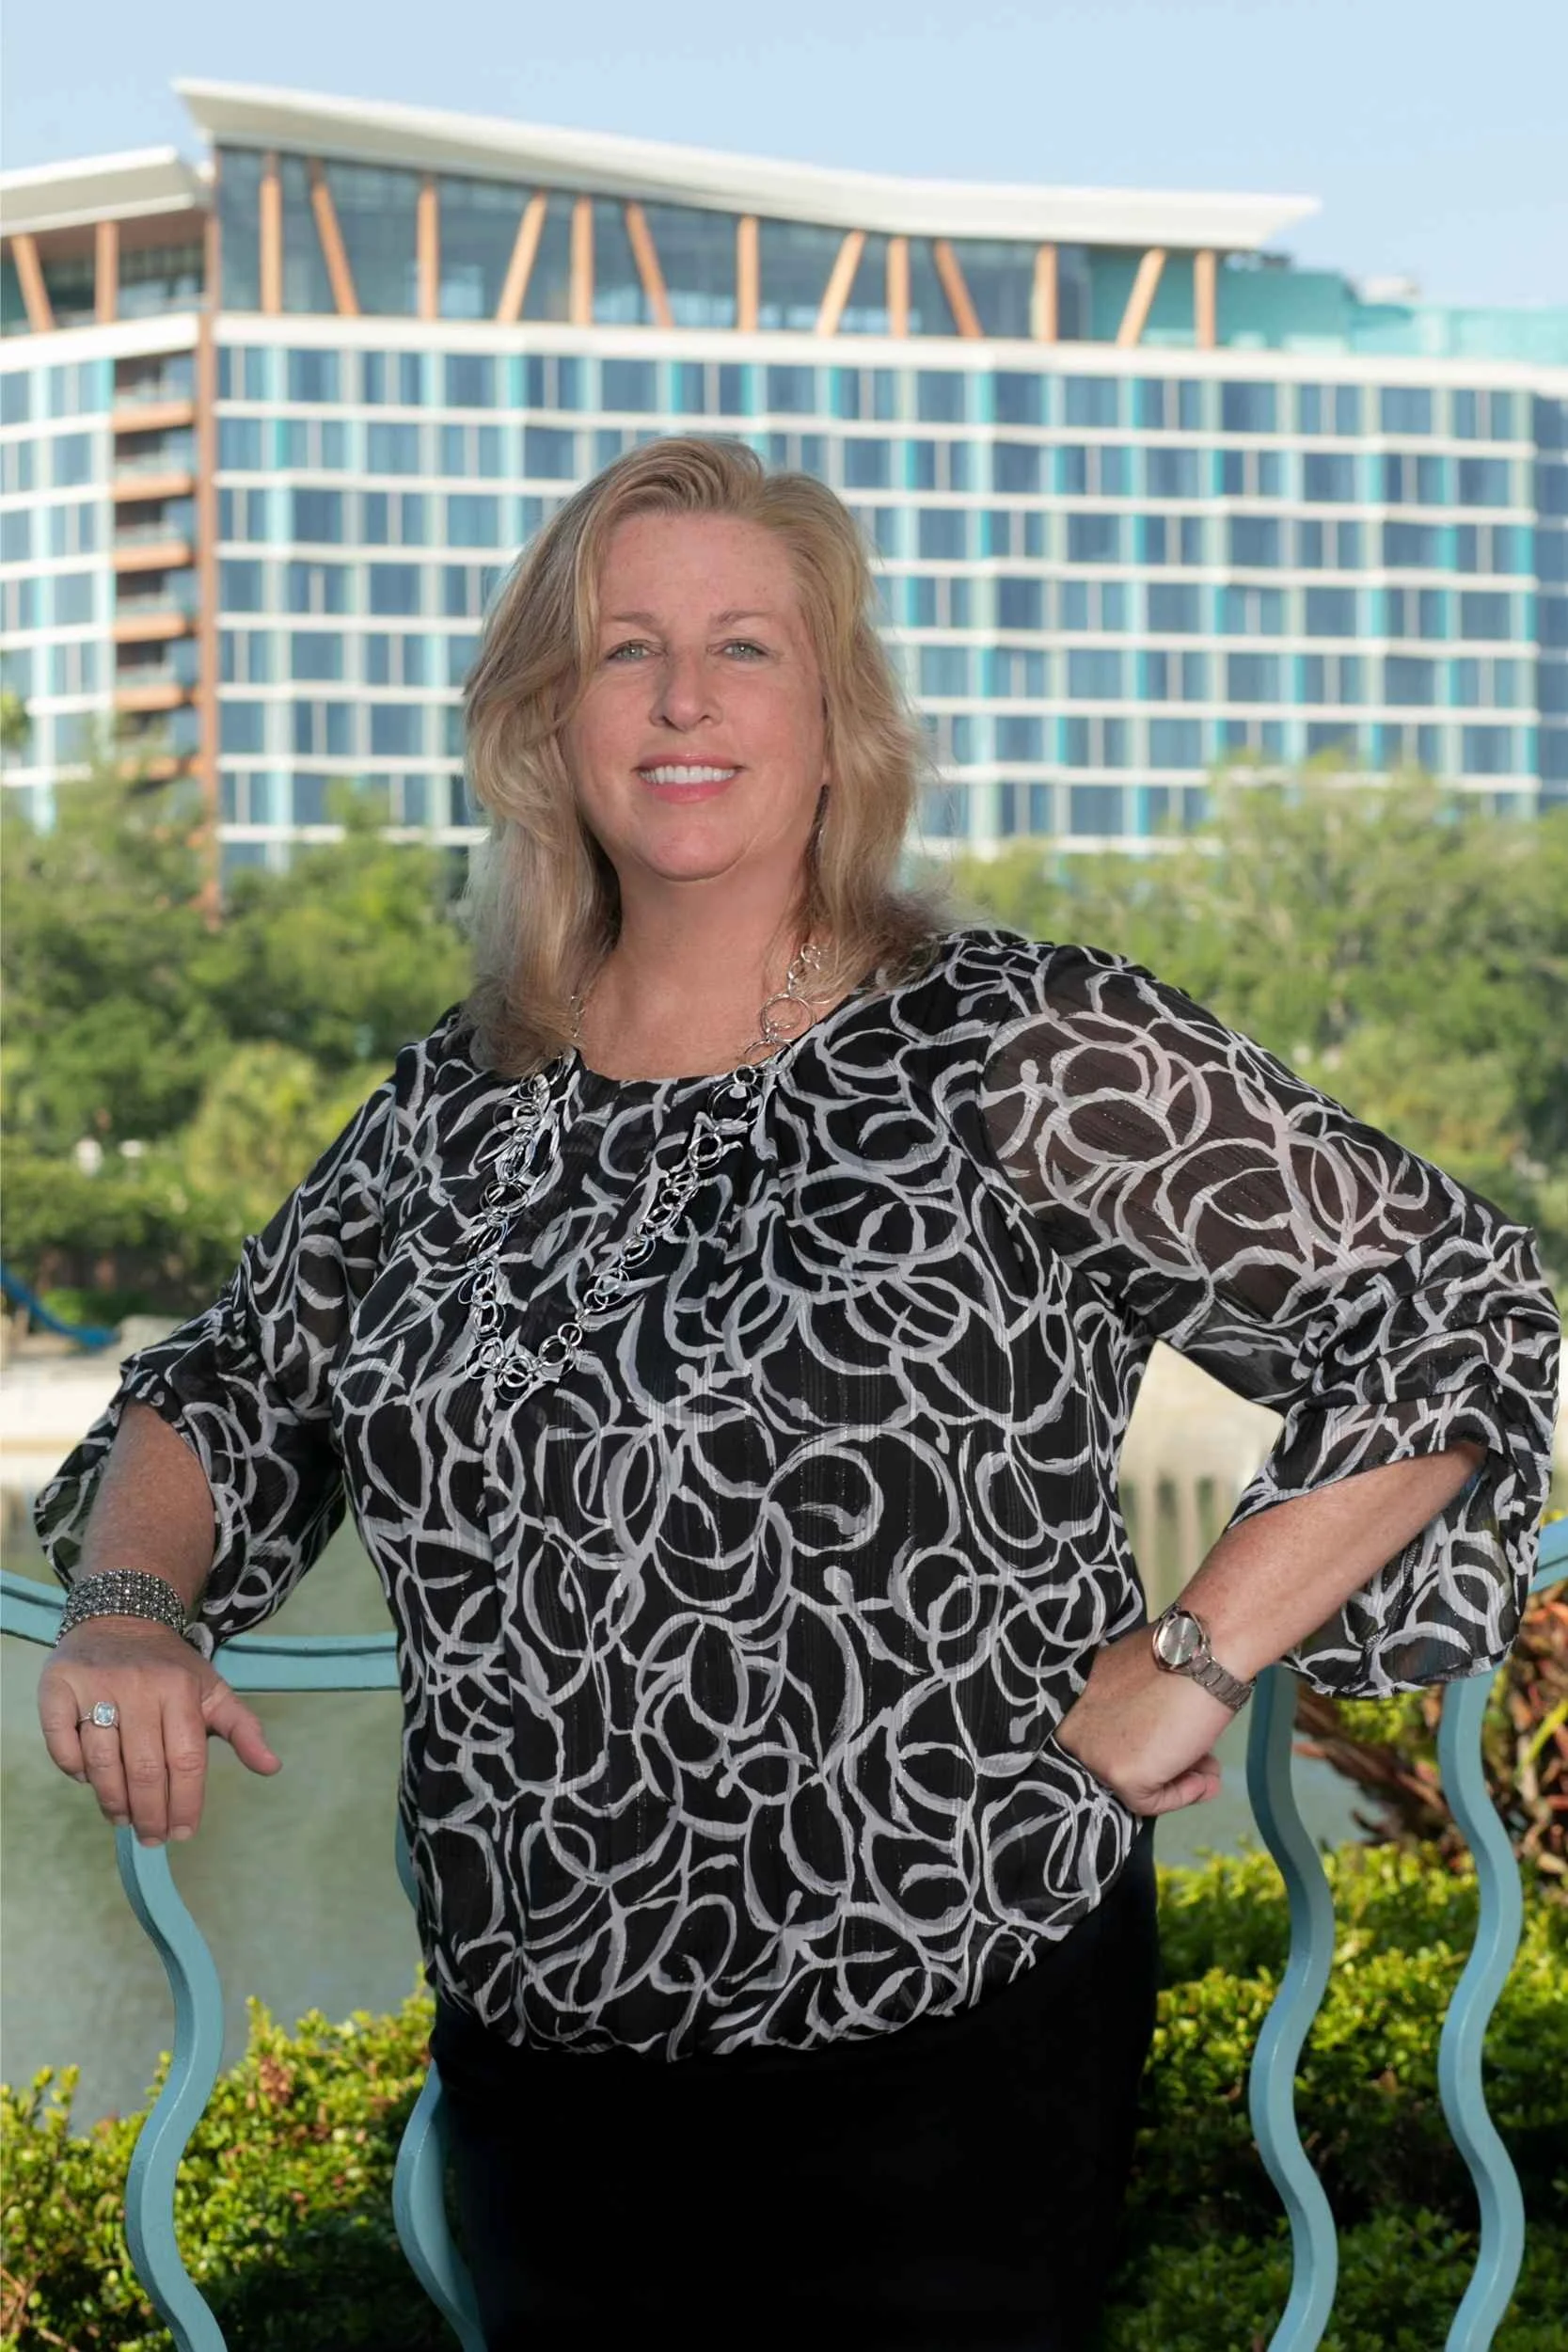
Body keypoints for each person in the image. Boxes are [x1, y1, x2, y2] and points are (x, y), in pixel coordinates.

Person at [35, 437, 1560, 2352]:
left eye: (744, 646)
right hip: (536, 2062)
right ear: (544, 725)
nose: (682, 697)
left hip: (945, 2022)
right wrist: (130, 1606)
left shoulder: (1014, 1035)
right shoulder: (457, 1104)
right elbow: (236, 1387)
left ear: (833, 720)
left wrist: (1196, 1642)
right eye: (621, 649)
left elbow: (1446, 1294)